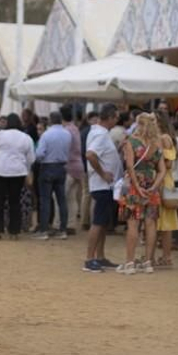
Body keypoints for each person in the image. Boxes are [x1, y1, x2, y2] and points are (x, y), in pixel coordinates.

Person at [116, 111, 166, 275]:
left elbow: (130, 167)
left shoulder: (131, 142)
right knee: (151, 224)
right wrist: (154, 187)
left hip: (134, 186)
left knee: (133, 223)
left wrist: (137, 187)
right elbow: (162, 170)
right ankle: (148, 262)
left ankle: (130, 262)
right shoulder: (157, 144)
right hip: (151, 185)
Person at [0, 115, 35, 240]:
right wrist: (27, 169)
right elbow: (31, 158)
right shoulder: (26, 138)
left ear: (7, 123)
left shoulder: (1, 134)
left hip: (0, 170)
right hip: (18, 172)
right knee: (15, 202)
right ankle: (14, 232)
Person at [82, 105, 123, 272]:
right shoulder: (100, 134)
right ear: (111, 117)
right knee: (98, 222)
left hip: (105, 185)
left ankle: (99, 256)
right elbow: (90, 154)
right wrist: (103, 173)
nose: (117, 120)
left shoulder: (99, 133)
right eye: (116, 117)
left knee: (103, 222)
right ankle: (90, 258)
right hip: (102, 185)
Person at [152, 109, 178, 269]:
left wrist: (153, 162)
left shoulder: (164, 138)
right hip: (162, 180)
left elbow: (168, 163)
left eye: (153, 119)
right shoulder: (162, 137)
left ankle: (165, 257)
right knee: (159, 221)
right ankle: (161, 256)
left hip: (163, 181)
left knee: (163, 222)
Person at [32, 109, 72, 240]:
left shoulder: (47, 134)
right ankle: (63, 230)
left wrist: (39, 160)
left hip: (47, 167)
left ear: (50, 120)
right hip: (61, 167)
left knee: (45, 200)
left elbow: (39, 154)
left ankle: (44, 230)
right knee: (62, 200)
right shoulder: (67, 134)